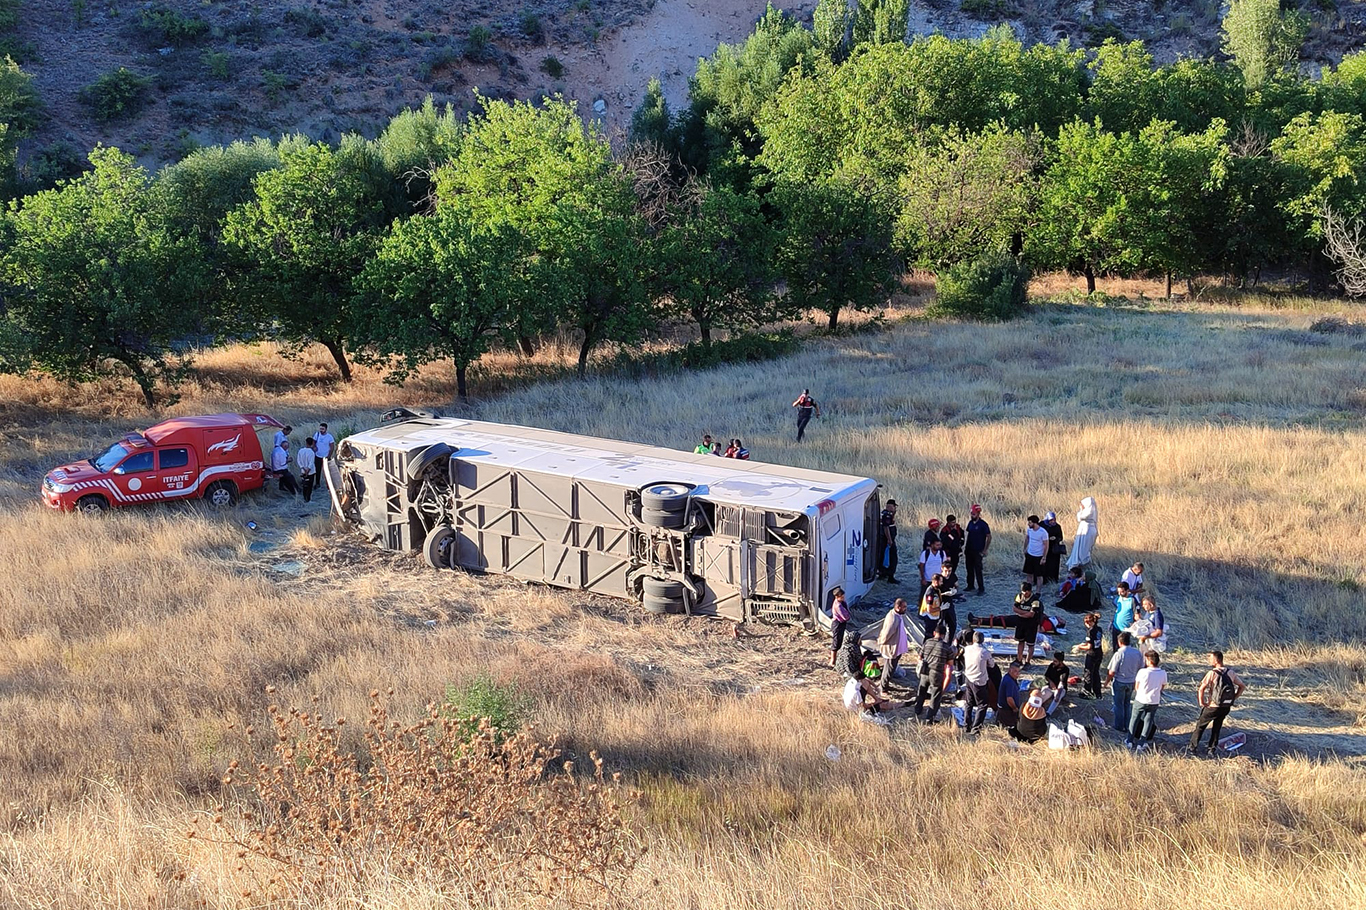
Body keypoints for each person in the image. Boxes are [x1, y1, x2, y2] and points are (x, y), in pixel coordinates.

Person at [1189, 651, 1246, 755]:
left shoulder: (1212, 673)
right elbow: (1242, 686)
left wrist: (1202, 702)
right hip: (1225, 706)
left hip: (1213, 706)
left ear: (1216, 660)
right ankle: (1211, 749)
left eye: (1210, 658)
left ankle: (1193, 748)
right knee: (1217, 727)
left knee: (1200, 726)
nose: (1209, 660)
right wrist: (1234, 698)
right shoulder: (1231, 673)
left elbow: (1201, 689)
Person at [1126, 651, 1167, 752]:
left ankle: (1130, 740)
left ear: (1149, 660)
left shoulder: (1142, 672)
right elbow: (1162, 687)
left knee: (1134, 719)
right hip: (1154, 700)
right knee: (1148, 721)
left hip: (1141, 699)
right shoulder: (1163, 673)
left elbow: (1137, 687)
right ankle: (1142, 742)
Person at [913, 622, 953, 723]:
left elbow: (920, 657)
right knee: (935, 695)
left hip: (925, 671)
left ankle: (917, 710)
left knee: (921, 691)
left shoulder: (927, 642)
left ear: (934, 632)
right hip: (937, 673)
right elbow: (950, 664)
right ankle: (929, 717)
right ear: (944, 635)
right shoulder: (946, 647)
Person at [1106, 631, 1144, 733]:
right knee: (1127, 704)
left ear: (1119, 642)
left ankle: (1119, 726)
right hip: (1132, 682)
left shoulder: (1119, 654)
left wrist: (1106, 682)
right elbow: (1142, 668)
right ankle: (1127, 725)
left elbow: (1112, 671)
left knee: (1118, 705)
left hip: (1120, 682)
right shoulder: (1137, 653)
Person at [962, 631, 994, 734]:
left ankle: (966, 725)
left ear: (973, 639)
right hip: (979, 681)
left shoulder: (967, 649)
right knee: (982, 704)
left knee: (969, 703)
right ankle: (976, 728)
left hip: (968, 677)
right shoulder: (984, 652)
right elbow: (991, 665)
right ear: (983, 640)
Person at [877, 598, 911, 695]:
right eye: (904, 607)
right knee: (889, 668)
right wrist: (881, 641)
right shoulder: (893, 618)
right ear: (898, 607)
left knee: (891, 667)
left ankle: (885, 684)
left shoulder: (898, 615)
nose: (905, 609)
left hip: (897, 648)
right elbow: (886, 634)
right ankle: (883, 687)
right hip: (892, 649)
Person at [1071, 612, 1104, 699]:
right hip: (1099, 653)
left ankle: (1087, 692)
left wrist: (1079, 647)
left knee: (1088, 673)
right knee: (1096, 673)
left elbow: (1089, 646)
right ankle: (1098, 692)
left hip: (1092, 654)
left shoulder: (1090, 631)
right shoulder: (1099, 629)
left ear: (1088, 622)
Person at [1013, 582, 1043, 667]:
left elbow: (1031, 614)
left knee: (1030, 644)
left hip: (1031, 625)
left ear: (1029, 591)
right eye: (1022, 592)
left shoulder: (1035, 600)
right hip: (1021, 623)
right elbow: (1014, 608)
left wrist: (1021, 613)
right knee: (1020, 641)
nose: (1024, 594)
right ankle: (1019, 659)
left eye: (1025, 592)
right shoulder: (1019, 596)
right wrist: (1025, 613)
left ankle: (1027, 662)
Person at [964, 504, 991, 596]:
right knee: (969, 568)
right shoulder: (970, 523)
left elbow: (989, 536)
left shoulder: (983, 525)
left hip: (978, 550)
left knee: (978, 570)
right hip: (969, 550)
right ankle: (970, 585)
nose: (972, 515)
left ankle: (981, 588)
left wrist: (985, 549)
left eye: (974, 514)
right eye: (971, 514)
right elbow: (968, 535)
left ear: (978, 513)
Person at [1067, 497, 1098, 570]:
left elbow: (1080, 517)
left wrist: (1081, 510)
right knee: (1082, 548)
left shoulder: (1088, 512)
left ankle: (1080, 564)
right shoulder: (1091, 512)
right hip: (1088, 530)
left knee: (1082, 549)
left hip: (1086, 530)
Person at [1022, 515, 1049, 591]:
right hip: (1030, 554)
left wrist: (1044, 557)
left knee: (1039, 575)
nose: (1028, 524)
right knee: (1029, 573)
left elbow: (1046, 545)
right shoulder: (1029, 530)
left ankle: (1038, 591)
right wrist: (1024, 548)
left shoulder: (1043, 532)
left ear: (1035, 523)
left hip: (1038, 556)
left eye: (1030, 522)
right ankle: (1028, 590)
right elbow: (1027, 538)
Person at [1111, 582, 1139, 651]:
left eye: (1122, 592)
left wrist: (1136, 626)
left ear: (1127, 590)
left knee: (1124, 650)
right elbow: (1117, 611)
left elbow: (1137, 615)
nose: (1120, 594)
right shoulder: (1117, 599)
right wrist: (1111, 621)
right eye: (1118, 592)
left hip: (1125, 629)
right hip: (1115, 627)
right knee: (1115, 648)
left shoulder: (1132, 600)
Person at [996, 660, 1024, 729]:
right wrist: (1014, 708)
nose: (1017, 674)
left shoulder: (1009, 677)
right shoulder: (1009, 682)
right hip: (1007, 710)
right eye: (1015, 671)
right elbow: (1009, 699)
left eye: (1018, 671)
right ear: (1010, 670)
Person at [1041, 511, 1065, 586]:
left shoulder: (1057, 526)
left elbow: (1060, 537)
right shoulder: (1042, 525)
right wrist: (1047, 538)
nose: (1053, 522)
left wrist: (1055, 539)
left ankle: (1053, 579)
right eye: (1051, 520)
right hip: (1044, 548)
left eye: (1054, 520)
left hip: (1053, 549)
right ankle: (1043, 580)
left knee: (1054, 565)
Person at [828, 588, 850, 668]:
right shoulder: (838, 606)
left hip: (841, 624)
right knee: (836, 642)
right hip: (838, 624)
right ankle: (832, 661)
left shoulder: (842, 602)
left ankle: (832, 656)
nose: (843, 598)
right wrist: (848, 616)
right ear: (837, 597)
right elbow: (845, 617)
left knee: (839, 640)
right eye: (841, 596)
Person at [878, 499, 899, 583]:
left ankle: (882, 573)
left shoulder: (885, 513)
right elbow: (886, 528)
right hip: (887, 541)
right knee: (893, 558)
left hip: (884, 540)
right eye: (894, 507)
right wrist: (890, 540)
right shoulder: (887, 515)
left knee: (882, 557)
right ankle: (890, 576)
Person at [919, 574, 945, 640]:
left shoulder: (937, 589)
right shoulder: (930, 592)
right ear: (936, 582)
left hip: (934, 616)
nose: (942, 583)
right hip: (929, 617)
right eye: (941, 581)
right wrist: (941, 608)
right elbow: (929, 609)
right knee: (929, 635)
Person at [296, 437, 318, 504]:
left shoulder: (301, 451)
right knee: (309, 486)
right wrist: (307, 470)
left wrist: (302, 468)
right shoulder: (311, 452)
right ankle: (308, 499)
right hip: (310, 472)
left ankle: (304, 498)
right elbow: (311, 463)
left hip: (303, 471)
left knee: (304, 485)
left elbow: (298, 460)